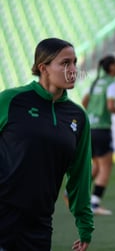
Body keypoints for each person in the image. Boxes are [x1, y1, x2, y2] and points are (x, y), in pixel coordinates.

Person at [0, 38, 94, 251]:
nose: (73, 70)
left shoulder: (77, 117)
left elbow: (80, 174)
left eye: (74, 63)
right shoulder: (10, 101)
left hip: (39, 226)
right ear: (43, 68)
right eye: (65, 63)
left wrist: (85, 225)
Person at [82, 55, 115, 215]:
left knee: (96, 165)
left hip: (90, 128)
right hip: (102, 129)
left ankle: (73, 192)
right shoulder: (111, 83)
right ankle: (94, 204)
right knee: (106, 167)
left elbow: (84, 101)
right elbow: (110, 106)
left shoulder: (96, 82)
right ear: (111, 67)